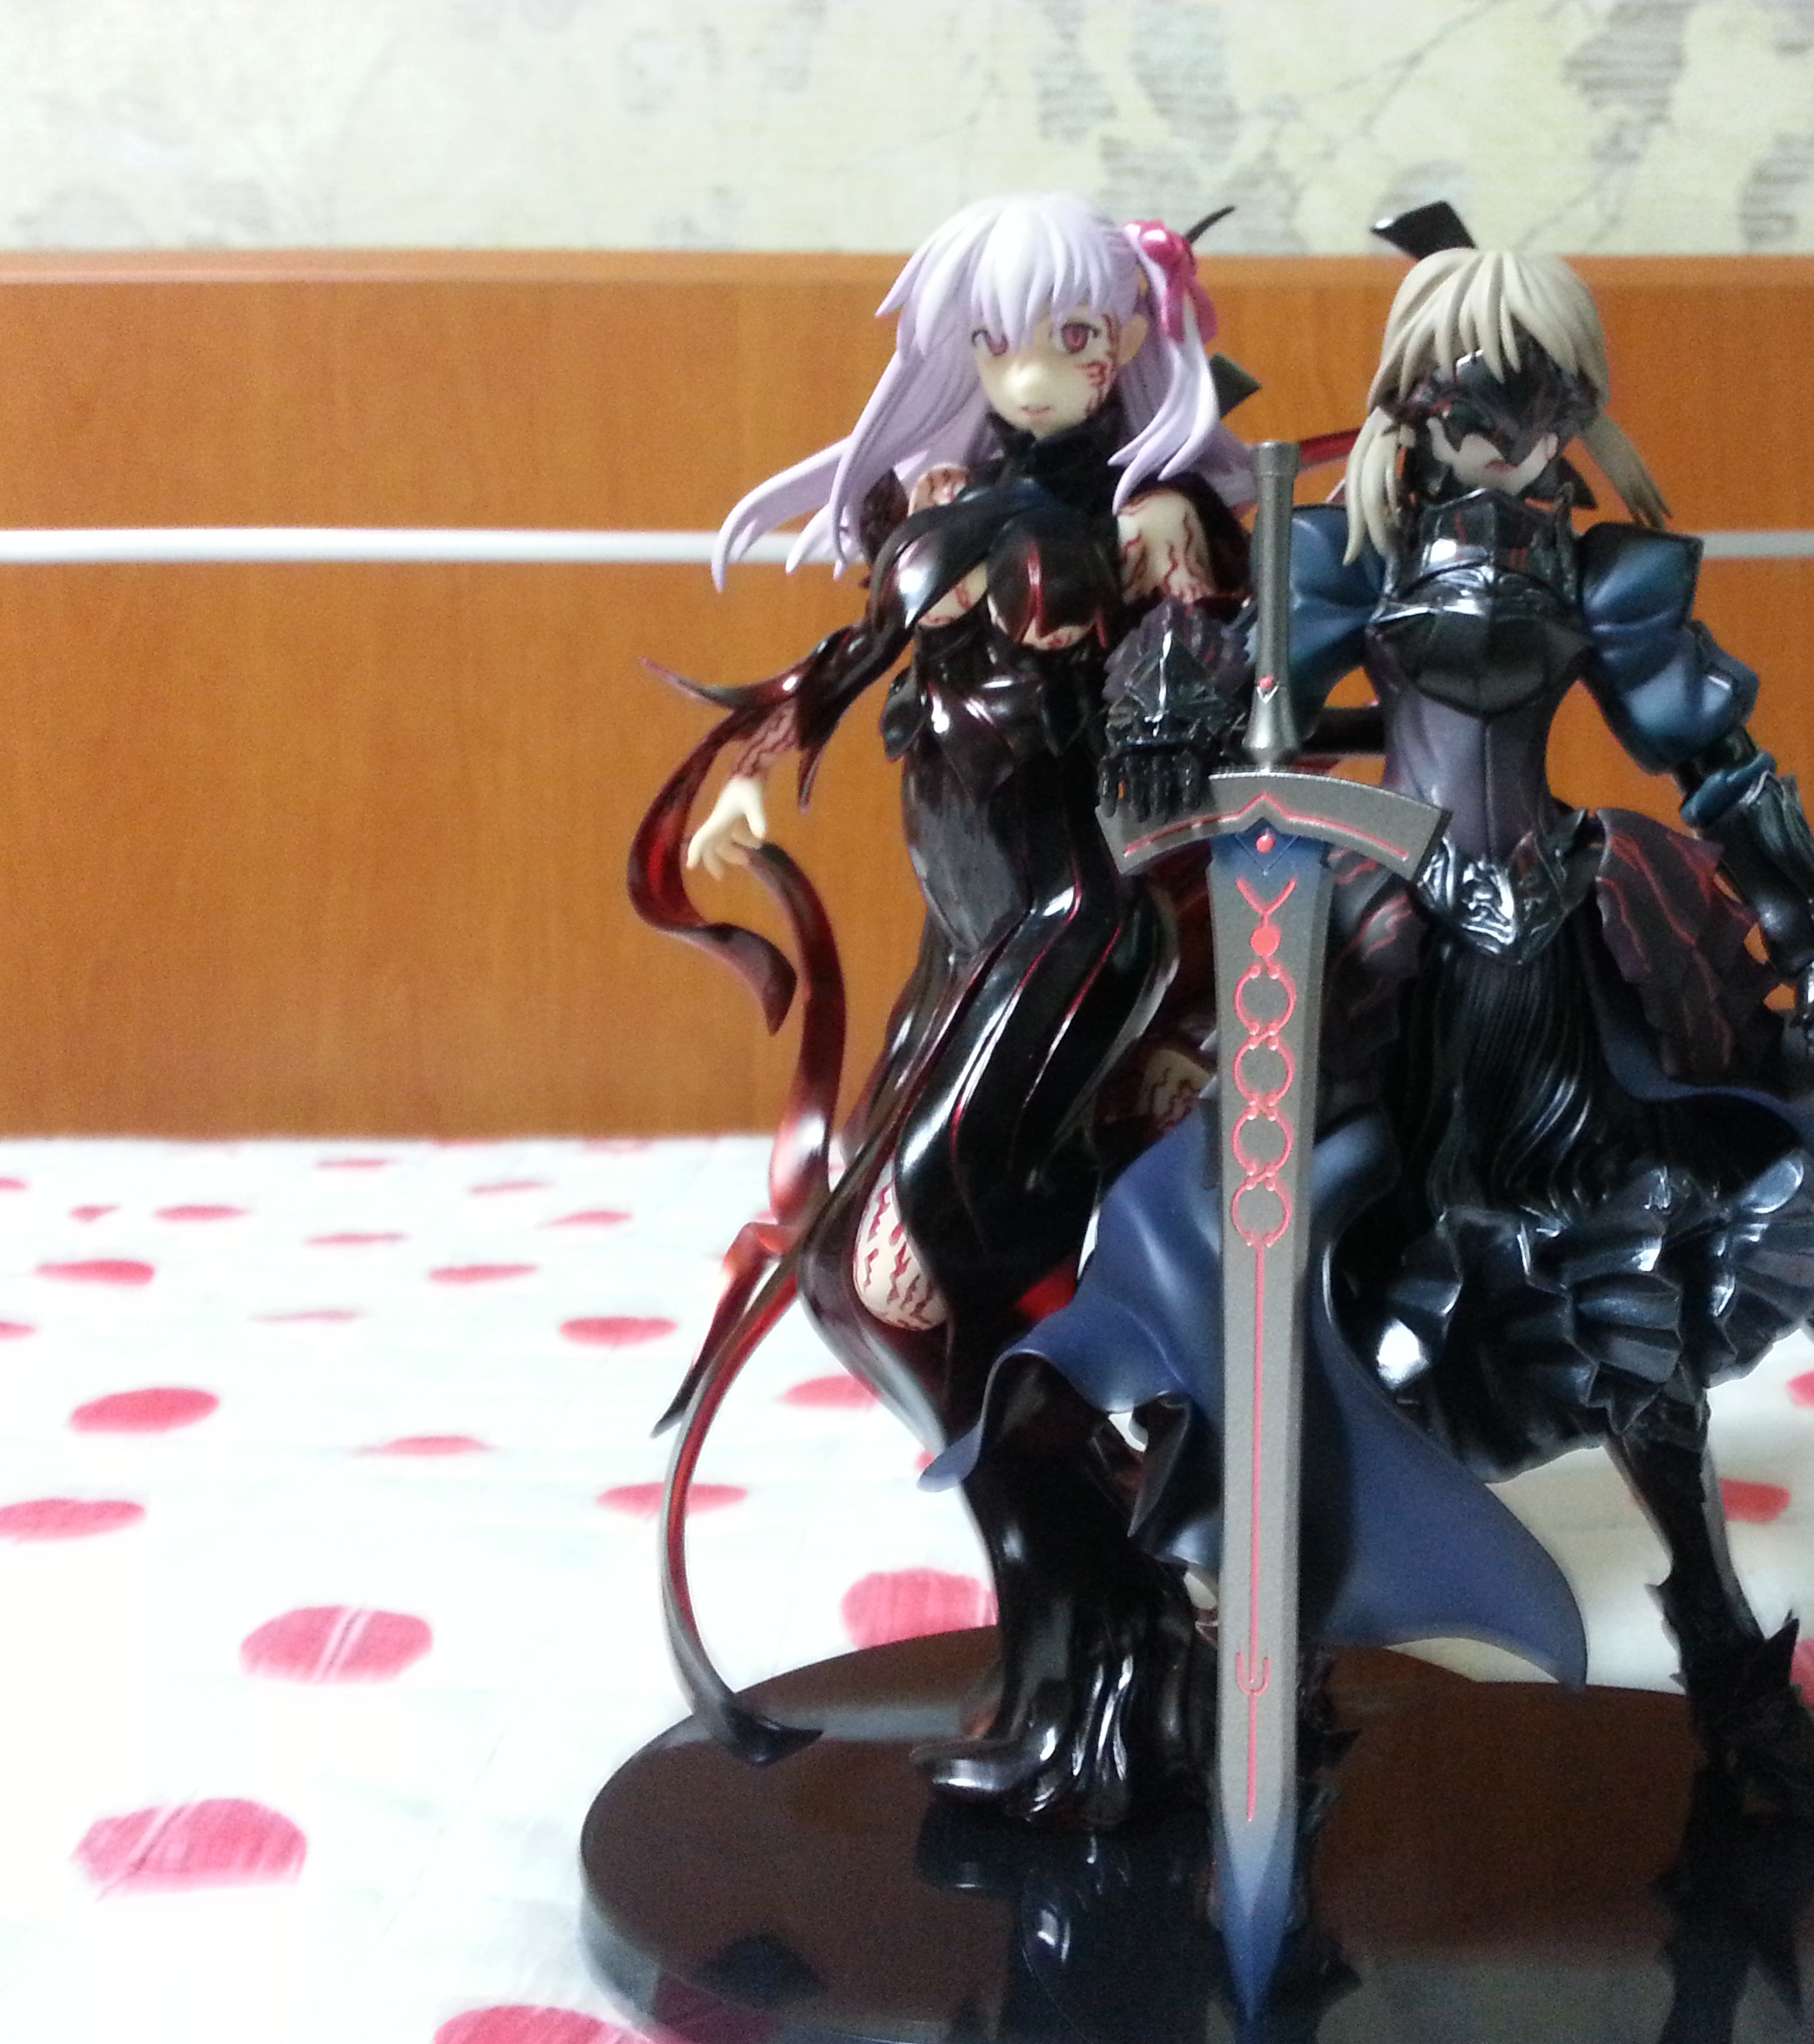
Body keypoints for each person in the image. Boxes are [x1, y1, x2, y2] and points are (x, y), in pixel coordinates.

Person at [1004, 229, 1814, 1830]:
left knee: (1634, 1305)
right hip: (1388, 949)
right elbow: (1216, 738)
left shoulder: (1606, 574)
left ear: (1577, 405)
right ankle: (1268, 1663)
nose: (1503, 431)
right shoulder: (1346, 557)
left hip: (1563, 954)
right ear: (1413, 398)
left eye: (1541, 398)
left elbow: (1722, 765)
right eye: (1468, 395)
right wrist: (1172, 695)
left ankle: (1730, 1676)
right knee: (1276, 1253)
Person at [634, 192, 1252, 1826]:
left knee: (912, 1275)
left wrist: (1178, 601)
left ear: (1130, 340)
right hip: (969, 934)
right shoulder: (947, 503)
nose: (1030, 377)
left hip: (1077, 931)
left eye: (1071, 340)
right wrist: (743, 783)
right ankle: (1093, 1611)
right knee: (854, 1288)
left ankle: (1121, 1618)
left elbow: (1196, 741)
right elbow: (846, 666)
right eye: (994, 343)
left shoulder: (1154, 526)